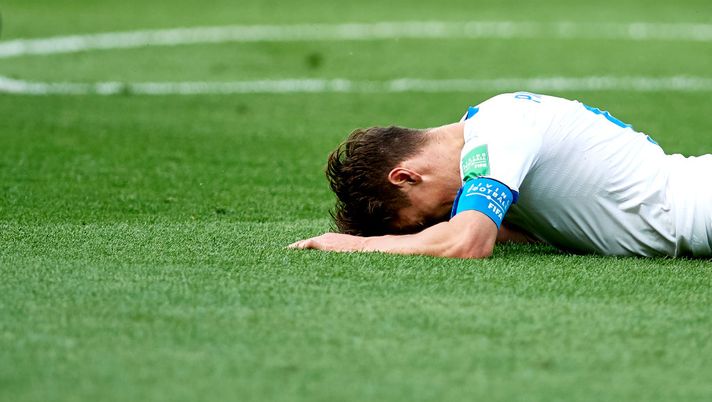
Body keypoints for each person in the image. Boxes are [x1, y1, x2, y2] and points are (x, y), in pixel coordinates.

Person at [289, 92, 712, 258]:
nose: (442, 217)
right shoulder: (490, 143)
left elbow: (467, 242)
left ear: (406, 177)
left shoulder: (494, 135)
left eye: (428, 214)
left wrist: (350, 245)